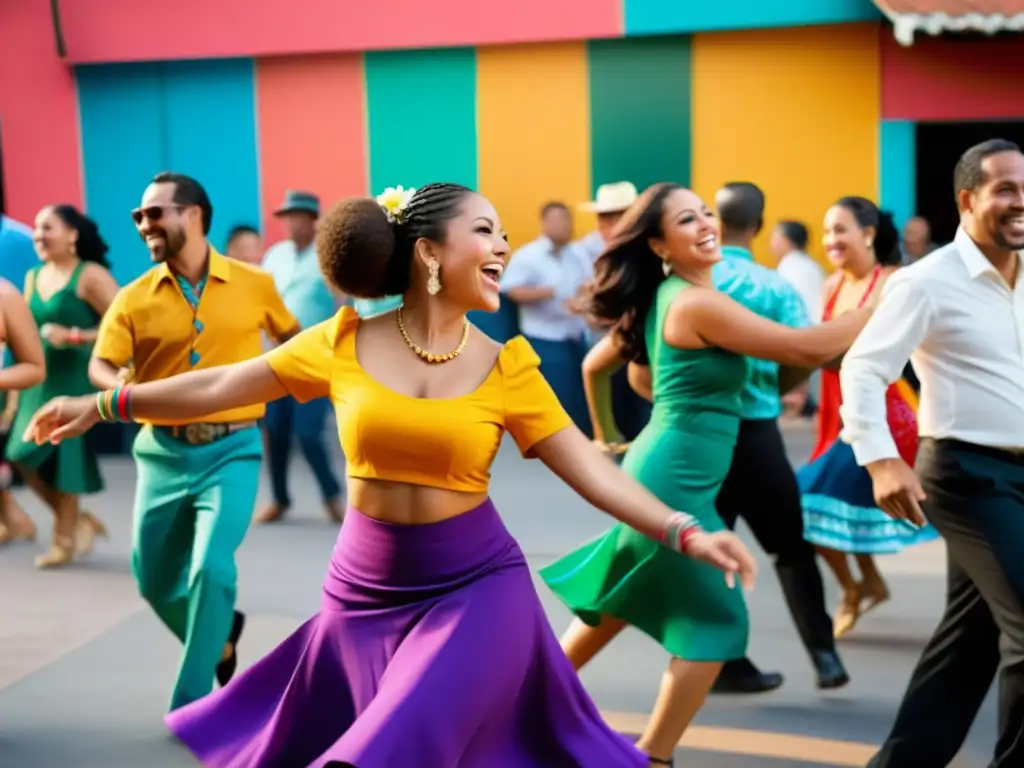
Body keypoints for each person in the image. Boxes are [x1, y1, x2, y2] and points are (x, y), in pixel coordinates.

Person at [25, 182, 757, 768]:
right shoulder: (341, 341)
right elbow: (224, 385)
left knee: (385, 748)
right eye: (487, 230)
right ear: (431, 253)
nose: (504, 246)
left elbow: (593, 476)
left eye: (503, 234)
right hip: (363, 589)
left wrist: (685, 531)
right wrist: (104, 402)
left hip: (477, 589)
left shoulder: (510, 367)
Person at [540, 183, 869, 764]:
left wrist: (610, 434)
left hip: (665, 467)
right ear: (661, 244)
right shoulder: (695, 303)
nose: (705, 225)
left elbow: (626, 374)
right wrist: (889, 301)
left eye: (706, 214)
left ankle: (521, 699)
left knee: (618, 600)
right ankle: (656, 755)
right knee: (716, 617)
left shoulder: (677, 294)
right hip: (674, 478)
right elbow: (804, 348)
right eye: (686, 220)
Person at [85, 172, 301, 712]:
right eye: (138, 216)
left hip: (234, 449)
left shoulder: (256, 284)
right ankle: (221, 632)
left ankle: (195, 705)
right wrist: (121, 390)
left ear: (194, 215)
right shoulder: (133, 297)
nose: (143, 224)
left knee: (211, 567)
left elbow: (295, 342)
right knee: (153, 582)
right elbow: (102, 362)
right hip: (161, 454)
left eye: (155, 213)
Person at [842, 138, 1024, 767]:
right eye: (1005, 189)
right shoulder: (927, 282)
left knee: (969, 643)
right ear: (967, 200)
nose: (1020, 202)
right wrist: (879, 457)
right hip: (967, 474)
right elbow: (863, 368)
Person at [798, 196, 936, 639]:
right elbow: (817, 347)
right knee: (830, 505)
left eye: (840, 229)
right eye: (826, 231)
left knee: (804, 501)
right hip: (840, 411)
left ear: (869, 234)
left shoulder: (894, 281)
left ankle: (859, 588)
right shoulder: (831, 285)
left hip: (887, 412)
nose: (830, 240)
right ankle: (863, 583)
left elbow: (840, 351)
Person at [4, 205, 119, 568]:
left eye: (47, 227)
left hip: (74, 380)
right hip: (37, 381)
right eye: (36, 228)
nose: (38, 235)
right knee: (22, 455)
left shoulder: (91, 276)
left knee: (65, 457)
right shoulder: (33, 276)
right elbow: (20, 335)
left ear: (72, 235)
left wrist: (73, 336)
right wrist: (11, 396)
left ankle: (63, 539)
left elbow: (124, 326)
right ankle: (77, 520)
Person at [257, 190, 344, 524]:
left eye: (298, 217)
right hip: (277, 354)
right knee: (275, 431)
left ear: (313, 221)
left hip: (315, 357)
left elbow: (342, 302)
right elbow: (263, 297)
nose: (292, 223)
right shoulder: (276, 255)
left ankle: (332, 496)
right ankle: (279, 498)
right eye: (287, 218)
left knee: (308, 432)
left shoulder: (328, 255)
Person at [500, 201, 593, 435]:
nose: (564, 226)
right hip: (545, 338)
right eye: (558, 220)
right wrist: (549, 293)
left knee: (580, 397)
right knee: (557, 397)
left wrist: (583, 297)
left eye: (567, 220)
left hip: (576, 334)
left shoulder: (578, 252)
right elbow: (511, 290)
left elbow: (587, 284)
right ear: (544, 223)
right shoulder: (528, 256)